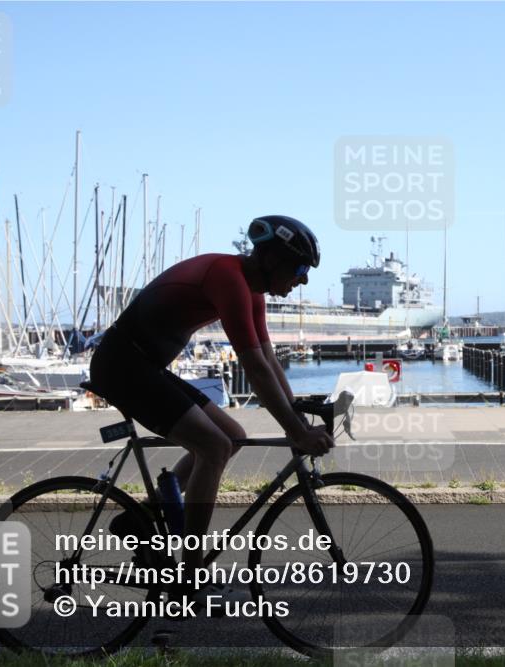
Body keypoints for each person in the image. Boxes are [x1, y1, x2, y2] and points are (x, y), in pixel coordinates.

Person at [89, 215, 334, 600]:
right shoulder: (228, 277)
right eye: (301, 268)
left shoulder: (251, 290)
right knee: (213, 447)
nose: (303, 279)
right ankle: (190, 574)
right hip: (121, 366)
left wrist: (298, 420)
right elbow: (252, 367)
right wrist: (296, 430)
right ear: (272, 258)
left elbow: (269, 360)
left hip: (142, 365)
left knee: (233, 436)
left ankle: (142, 519)